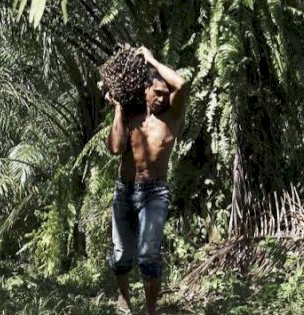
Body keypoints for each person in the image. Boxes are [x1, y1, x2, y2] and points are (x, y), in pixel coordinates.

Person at [105, 46, 187, 315]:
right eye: (158, 93)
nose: (163, 99)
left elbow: (181, 83)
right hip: (125, 191)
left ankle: (150, 311)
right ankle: (125, 301)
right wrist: (118, 108)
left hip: (155, 193)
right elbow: (115, 149)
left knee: (148, 255)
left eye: (166, 94)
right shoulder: (131, 116)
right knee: (120, 257)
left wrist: (151, 59)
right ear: (144, 90)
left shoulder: (171, 118)